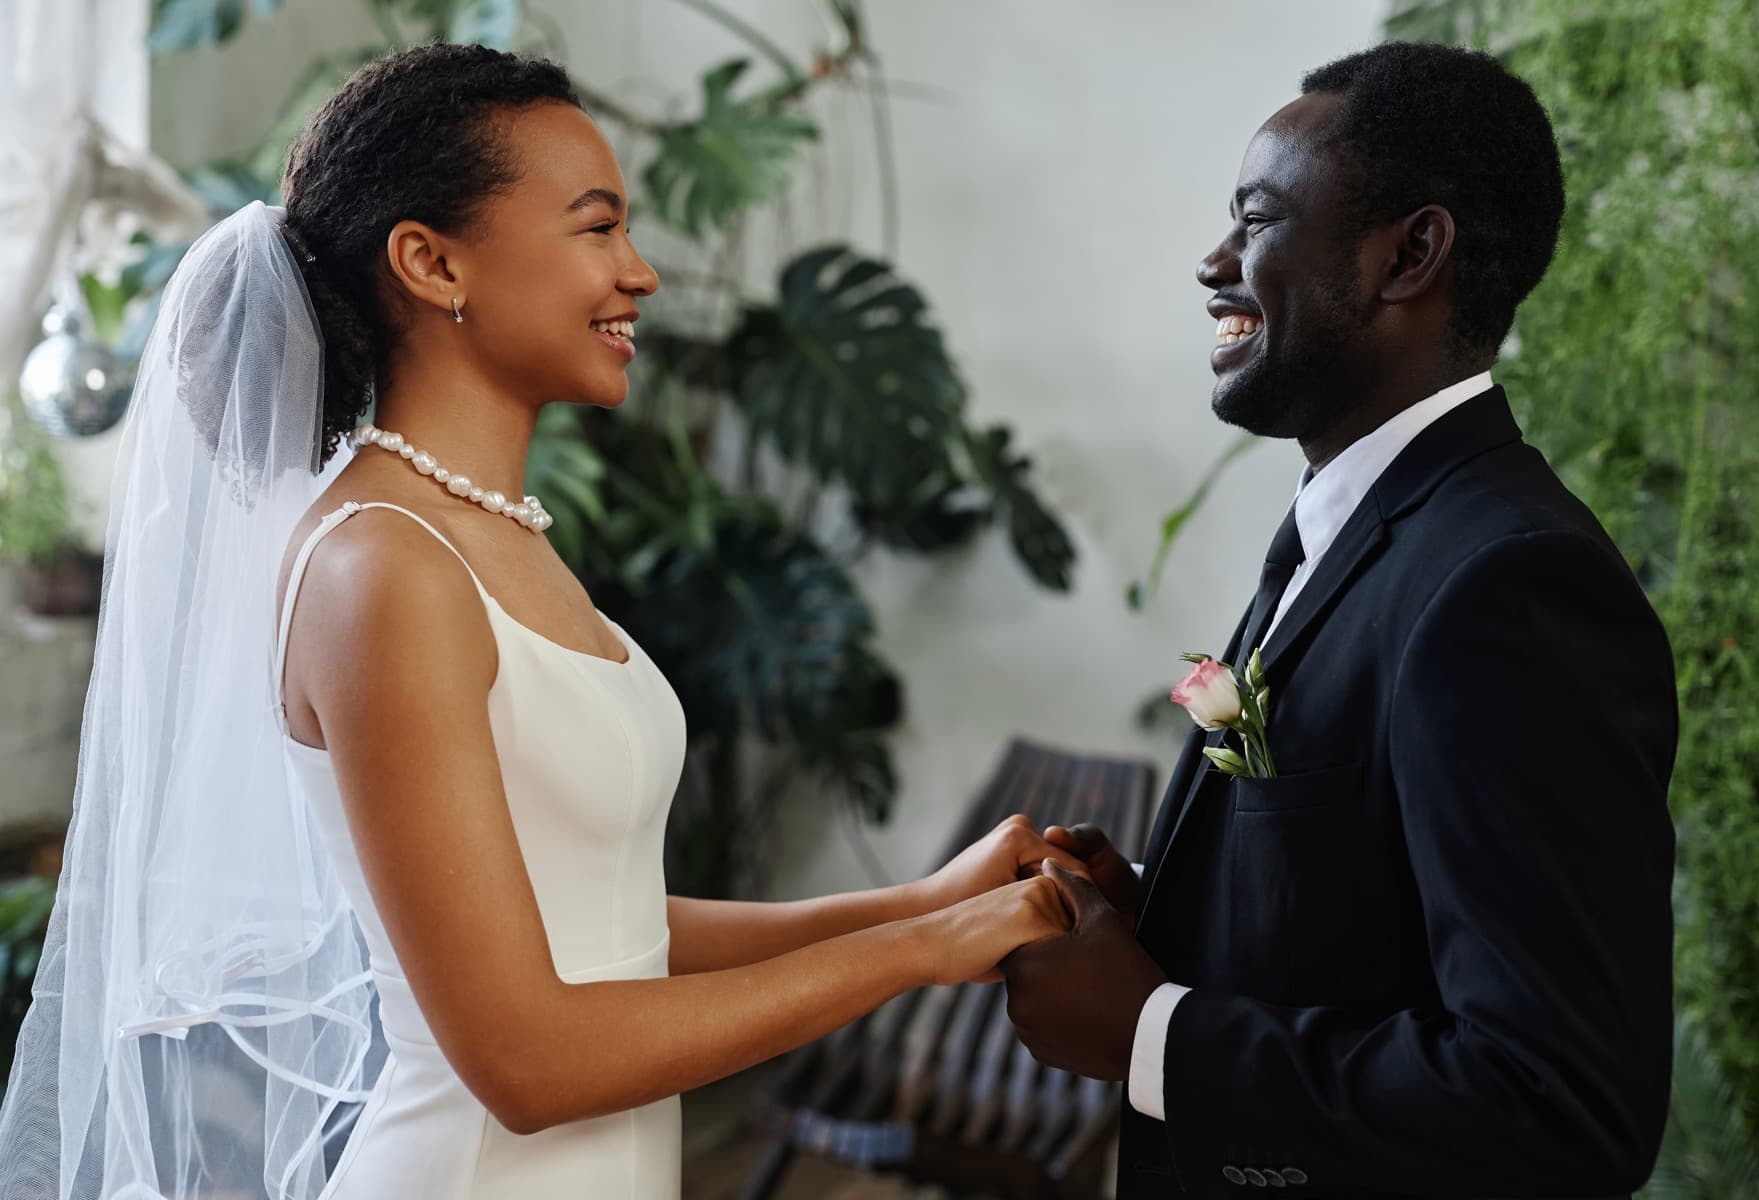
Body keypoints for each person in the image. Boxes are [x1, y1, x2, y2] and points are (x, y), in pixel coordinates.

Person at [0, 44, 1081, 1200]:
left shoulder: (492, 532)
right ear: (431, 260)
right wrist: (914, 955)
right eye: (596, 227)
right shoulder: (381, 568)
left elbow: (595, 915)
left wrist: (917, 901)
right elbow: (526, 1061)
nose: (641, 273)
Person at [1001, 41, 1679, 1199]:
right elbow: (1372, 923)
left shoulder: (1507, 586)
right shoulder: (1363, 531)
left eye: (1257, 220)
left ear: (1408, 255)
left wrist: (1150, 1033)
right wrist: (1167, 910)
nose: (1214, 264)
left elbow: (1559, 1106)